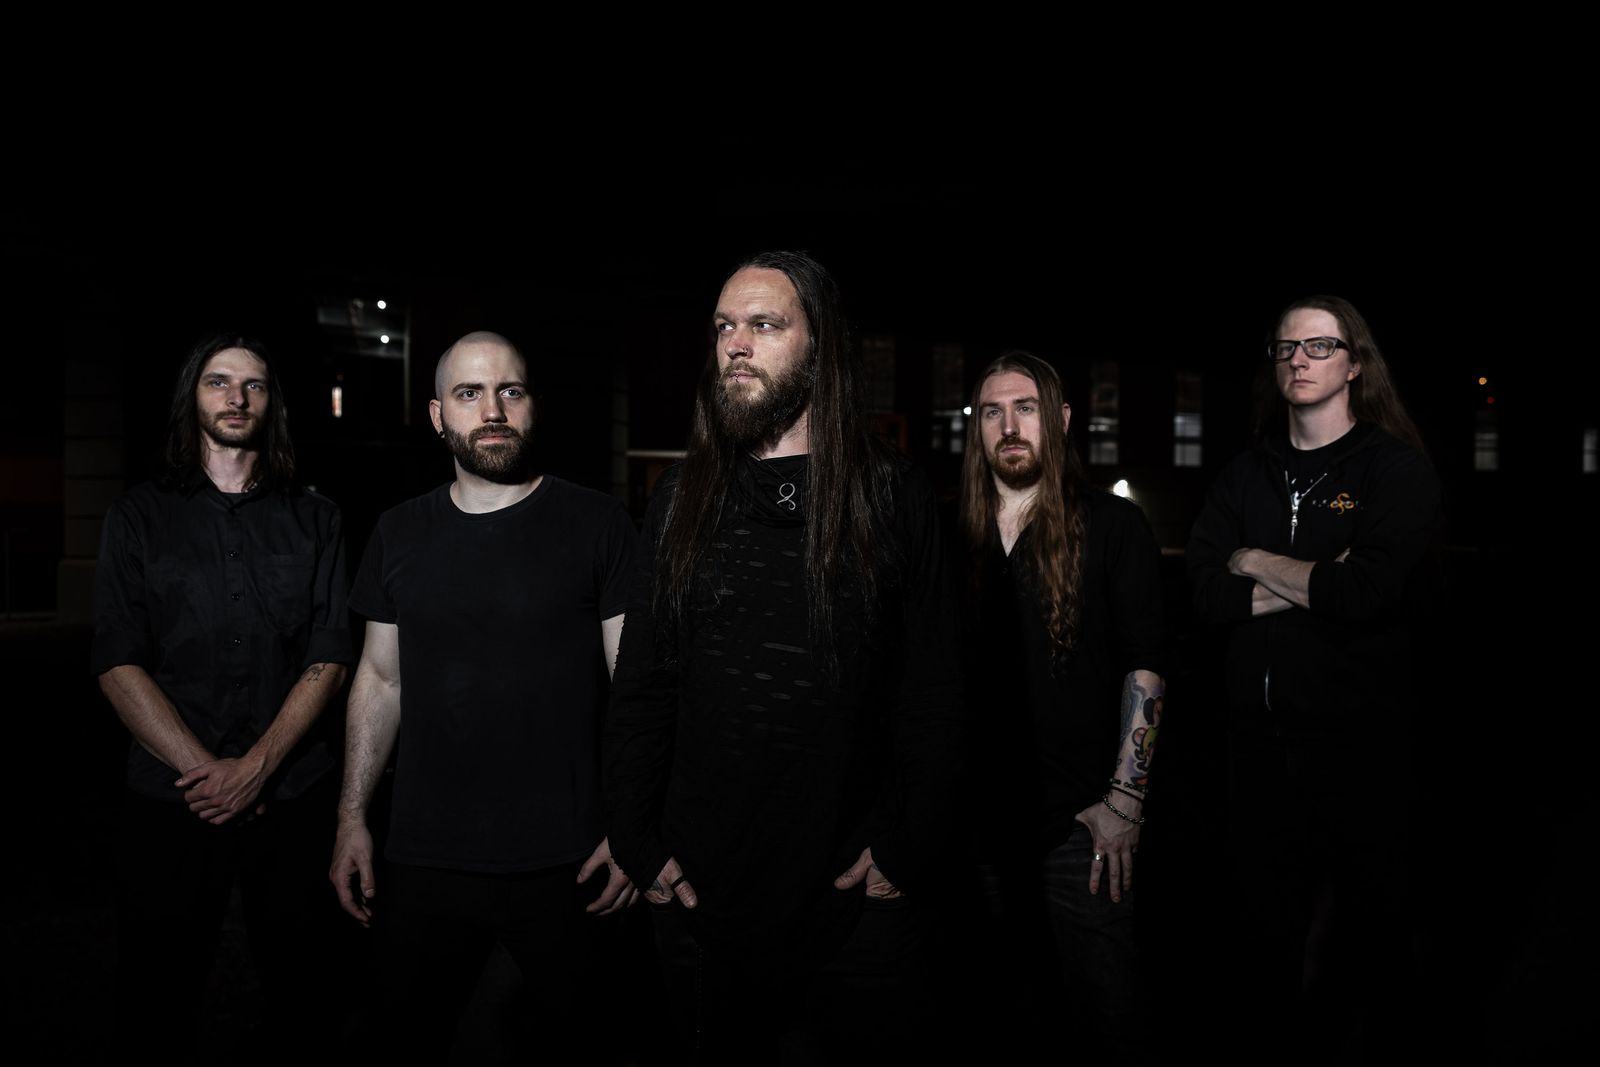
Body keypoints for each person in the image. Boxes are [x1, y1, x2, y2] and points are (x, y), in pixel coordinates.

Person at [604, 251, 963, 1061]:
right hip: (697, 895)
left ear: (819, 345)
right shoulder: (681, 498)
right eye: (724, 326)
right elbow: (644, 684)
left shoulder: (891, 495)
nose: (735, 343)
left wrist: (910, 844)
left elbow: (934, 691)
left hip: (852, 899)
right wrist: (636, 841)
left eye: (764, 324)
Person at [329, 331, 638, 1056]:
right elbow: (381, 678)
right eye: (469, 394)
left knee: (608, 1052)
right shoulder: (399, 532)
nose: (492, 410)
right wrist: (350, 817)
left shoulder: (599, 524)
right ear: (439, 416)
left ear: (532, 406)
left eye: (510, 391)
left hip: (573, 858)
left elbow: (635, 686)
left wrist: (634, 827)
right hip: (425, 857)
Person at [1186, 296, 1440, 1055]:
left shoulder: (1394, 470)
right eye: (1286, 347)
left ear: (1355, 363)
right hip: (1256, 753)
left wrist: (1253, 560)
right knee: (1263, 943)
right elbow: (1203, 594)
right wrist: (1315, 579)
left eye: (1319, 346)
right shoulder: (1246, 472)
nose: (1298, 359)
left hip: (1359, 753)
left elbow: (1366, 593)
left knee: (1365, 946)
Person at [94, 333, 353, 1052]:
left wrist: (257, 768)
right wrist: (208, 773)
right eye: (218, 382)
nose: (236, 397)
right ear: (193, 397)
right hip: (171, 794)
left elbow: (331, 658)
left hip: (292, 793)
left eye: (253, 385)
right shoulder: (137, 517)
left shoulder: (319, 519)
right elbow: (116, 661)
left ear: (272, 404)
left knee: (306, 998)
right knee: (154, 999)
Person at [958, 351, 1166, 1058]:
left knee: (1108, 1019)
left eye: (1026, 408)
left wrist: (1125, 800)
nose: (1009, 426)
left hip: (1082, 830)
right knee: (992, 1019)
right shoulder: (948, 533)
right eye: (992, 412)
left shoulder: (1112, 526)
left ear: (1061, 419)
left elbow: (1146, 665)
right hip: (970, 830)